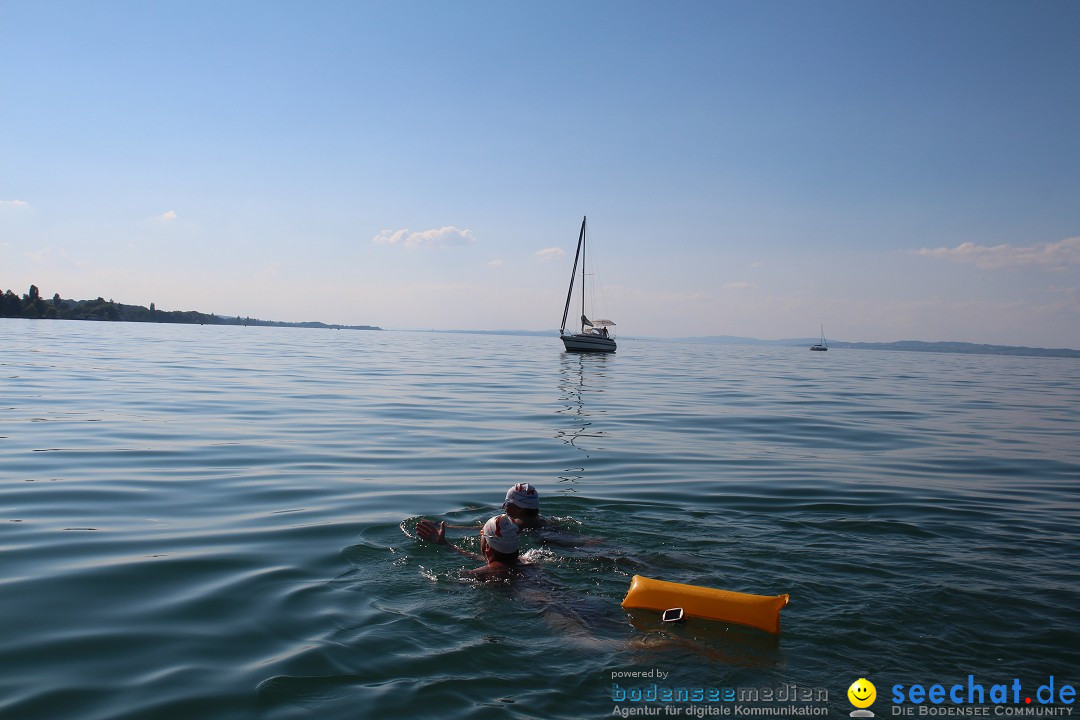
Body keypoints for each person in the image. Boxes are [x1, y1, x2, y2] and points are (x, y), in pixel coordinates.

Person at [416, 513, 521, 581]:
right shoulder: (529, 561)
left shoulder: (476, 575)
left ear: (487, 546)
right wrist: (445, 544)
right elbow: (476, 557)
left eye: (482, 534)